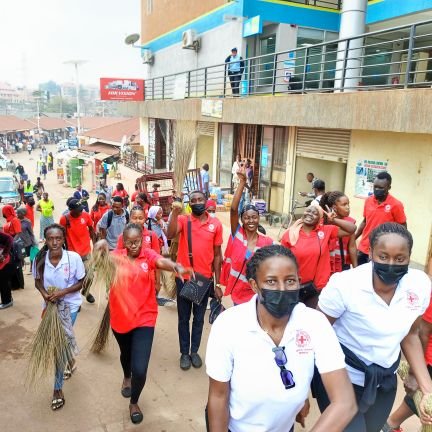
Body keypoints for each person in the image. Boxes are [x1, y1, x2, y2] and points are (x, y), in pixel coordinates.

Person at [206, 244, 357, 432]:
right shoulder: (229, 325)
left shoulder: (314, 323)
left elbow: (345, 402)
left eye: (290, 281)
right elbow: (218, 396)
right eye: (271, 281)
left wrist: (300, 396)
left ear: (299, 282)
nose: (282, 289)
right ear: (254, 285)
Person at [315, 222, 432, 432]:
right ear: (370, 253)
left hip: (384, 382)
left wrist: (426, 389)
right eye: (383, 256)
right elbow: (318, 334)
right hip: (342, 380)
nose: (391, 264)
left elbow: (411, 335)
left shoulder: (419, 284)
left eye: (400, 259)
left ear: (409, 257)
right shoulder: (345, 285)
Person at [103, 223, 192, 424]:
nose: (134, 245)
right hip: (120, 318)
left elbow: (161, 261)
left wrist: (176, 266)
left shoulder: (148, 255)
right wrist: (99, 246)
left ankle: (134, 401)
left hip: (145, 317)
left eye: (137, 241)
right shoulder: (115, 256)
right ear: (123, 242)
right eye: (129, 242)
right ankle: (126, 376)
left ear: (142, 240)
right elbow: (99, 261)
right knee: (125, 355)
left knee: (141, 368)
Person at [167, 190, 223, 371]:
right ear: (189, 204)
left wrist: (218, 283)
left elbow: (216, 256)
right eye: (193, 200)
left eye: (200, 199)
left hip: (204, 280)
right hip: (184, 278)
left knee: (199, 318)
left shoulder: (215, 224)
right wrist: (175, 213)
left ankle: (194, 351)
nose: (197, 202)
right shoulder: (184, 220)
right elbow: (169, 234)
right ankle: (184, 352)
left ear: (206, 201)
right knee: (184, 318)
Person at [33, 224, 85, 411]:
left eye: (58, 238)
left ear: (64, 239)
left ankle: (57, 389)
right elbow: (37, 280)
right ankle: (70, 361)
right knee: (62, 342)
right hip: (50, 306)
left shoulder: (74, 258)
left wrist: (63, 292)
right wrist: (45, 294)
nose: (54, 242)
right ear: (45, 240)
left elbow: (80, 282)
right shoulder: (40, 258)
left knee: (58, 345)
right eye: (50, 239)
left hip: (69, 306)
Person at [280, 204, 355, 308]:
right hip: (293, 286)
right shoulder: (290, 233)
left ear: (320, 218)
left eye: (315, 213)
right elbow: (280, 260)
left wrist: (334, 220)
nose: (310, 214)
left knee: (312, 318)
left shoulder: (326, 231)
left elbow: (351, 229)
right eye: (308, 211)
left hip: (317, 287)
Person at [223, 167, 273, 306]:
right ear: (242, 220)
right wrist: (242, 182)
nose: (251, 221)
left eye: (254, 217)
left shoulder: (267, 242)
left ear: (259, 219)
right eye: (246, 218)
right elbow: (233, 209)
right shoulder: (237, 234)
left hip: (256, 296)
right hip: (238, 294)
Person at [383, 298, 432, 432]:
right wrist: (414, 373)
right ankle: (391, 424)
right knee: (426, 404)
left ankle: (391, 424)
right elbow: (422, 331)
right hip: (428, 361)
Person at [355, 172, 406, 266]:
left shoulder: (396, 205)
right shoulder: (368, 201)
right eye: (375, 187)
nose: (377, 189)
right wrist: (354, 237)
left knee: (375, 278)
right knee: (360, 276)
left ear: (389, 187)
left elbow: (402, 228)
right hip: (364, 247)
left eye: (381, 188)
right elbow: (365, 221)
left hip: (382, 250)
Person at [59, 198, 96, 304]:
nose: (81, 211)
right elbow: (60, 236)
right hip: (72, 255)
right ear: (71, 209)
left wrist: (94, 243)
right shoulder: (64, 219)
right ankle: (76, 300)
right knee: (75, 279)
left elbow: (91, 229)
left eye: (81, 209)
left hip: (86, 253)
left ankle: (86, 291)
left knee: (89, 276)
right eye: (78, 209)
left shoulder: (85, 216)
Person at [320, 191, 358, 273]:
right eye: (344, 205)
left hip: (343, 264)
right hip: (326, 264)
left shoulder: (350, 222)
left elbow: (352, 246)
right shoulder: (323, 222)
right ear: (334, 207)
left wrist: (355, 269)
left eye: (348, 204)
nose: (348, 207)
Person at [0, 231, 15, 309]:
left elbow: (10, 238)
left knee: (3, 282)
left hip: (4, 262)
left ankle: (7, 301)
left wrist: (4, 254)